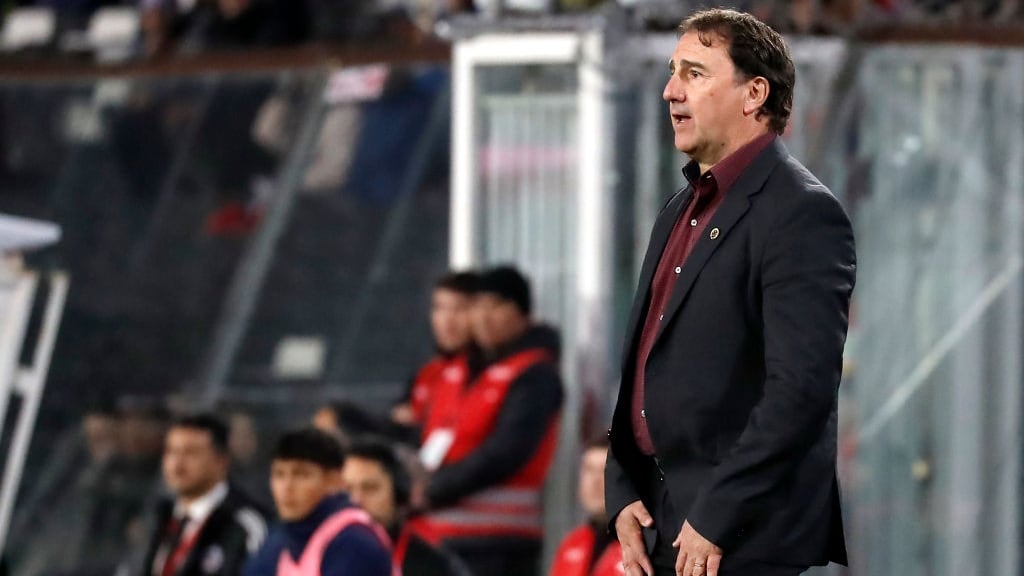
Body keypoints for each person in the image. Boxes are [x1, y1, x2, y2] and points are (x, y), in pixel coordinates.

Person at [605, 9, 856, 576]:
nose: (670, 91)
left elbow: (802, 390)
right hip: (662, 525)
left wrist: (716, 515)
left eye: (694, 73)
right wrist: (620, 489)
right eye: (673, 73)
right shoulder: (679, 208)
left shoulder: (802, 214)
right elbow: (647, 363)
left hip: (738, 538)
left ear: (754, 94)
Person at [416, 265, 563, 576]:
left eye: (495, 306)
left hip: (498, 544)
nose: (482, 317)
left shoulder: (534, 374)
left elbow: (507, 450)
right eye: (477, 306)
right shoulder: (464, 370)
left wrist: (433, 490)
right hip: (439, 534)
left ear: (521, 313)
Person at [248, 427, 394, 576]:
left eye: (301, 474)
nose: (287, 487)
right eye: (279, 474)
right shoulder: (276, 541)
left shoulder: (356, 542)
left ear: (334, 480)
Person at [140, 413, 268, 576]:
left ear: (221, 461)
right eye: (171, 451)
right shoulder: (158, 519)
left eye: (191, 453)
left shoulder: (245, 524)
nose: (177, 463)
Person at [343, 437, 471, 576]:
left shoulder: (433, 565)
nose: (355, 500)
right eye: (347, 490)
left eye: (370, 488)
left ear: (398, 494)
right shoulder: (326, 552)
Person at [390, 271, 479, 431]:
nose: (448, 320)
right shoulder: (428, 371)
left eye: (459, 309)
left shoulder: (483, 374)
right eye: (440, 308)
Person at [549, 436, 622, 576]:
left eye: (605, 471)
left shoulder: (645, 548)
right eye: (589, 470)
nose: (595, 482)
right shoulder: (572, 544)